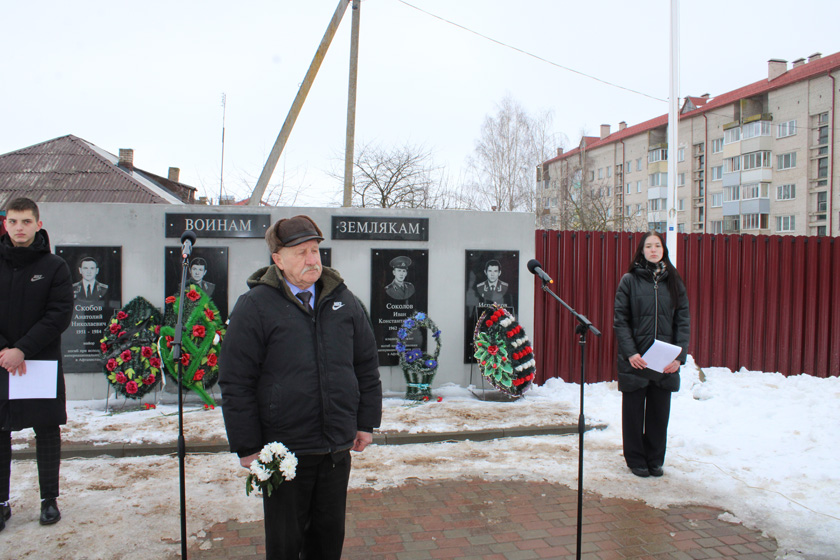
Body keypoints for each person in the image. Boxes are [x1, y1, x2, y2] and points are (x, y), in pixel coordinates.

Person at [219, 215, 382, 560]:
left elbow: (366, 365)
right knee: (285, 544)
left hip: (335, 448)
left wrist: (365, 423)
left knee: (327, 542)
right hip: (284, 452)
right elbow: (236, 381)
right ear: (278, 260)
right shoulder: (255, 306)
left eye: (315, 250)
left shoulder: (344, 301)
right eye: (301, 252)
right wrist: (247, 446)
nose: (312, 260)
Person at [0, 198, 74, 532]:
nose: (19, 228)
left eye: (26, 222)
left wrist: (22, 349)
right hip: (1, 362)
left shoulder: (55, 266)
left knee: (46, 431)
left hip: (39, 363)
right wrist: (5, 350)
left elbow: (59, 314)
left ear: (38, 225)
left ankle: (49, 500)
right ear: (5, 224)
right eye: (13, 221)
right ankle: (1, 503)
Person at [613, 231, 690, 478]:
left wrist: (678, 357)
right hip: (636, 361)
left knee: (659, 414)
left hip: (664, 362)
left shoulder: (674, 281)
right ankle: (636, 460)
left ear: (663, 250)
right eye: (649, 246)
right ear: (642, 250)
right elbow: (620, 320)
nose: (653, 250)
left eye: (657, 245)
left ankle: (655, 459)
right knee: (633, 414)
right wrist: (631, 353)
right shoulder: (629, 281)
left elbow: (683, 321)